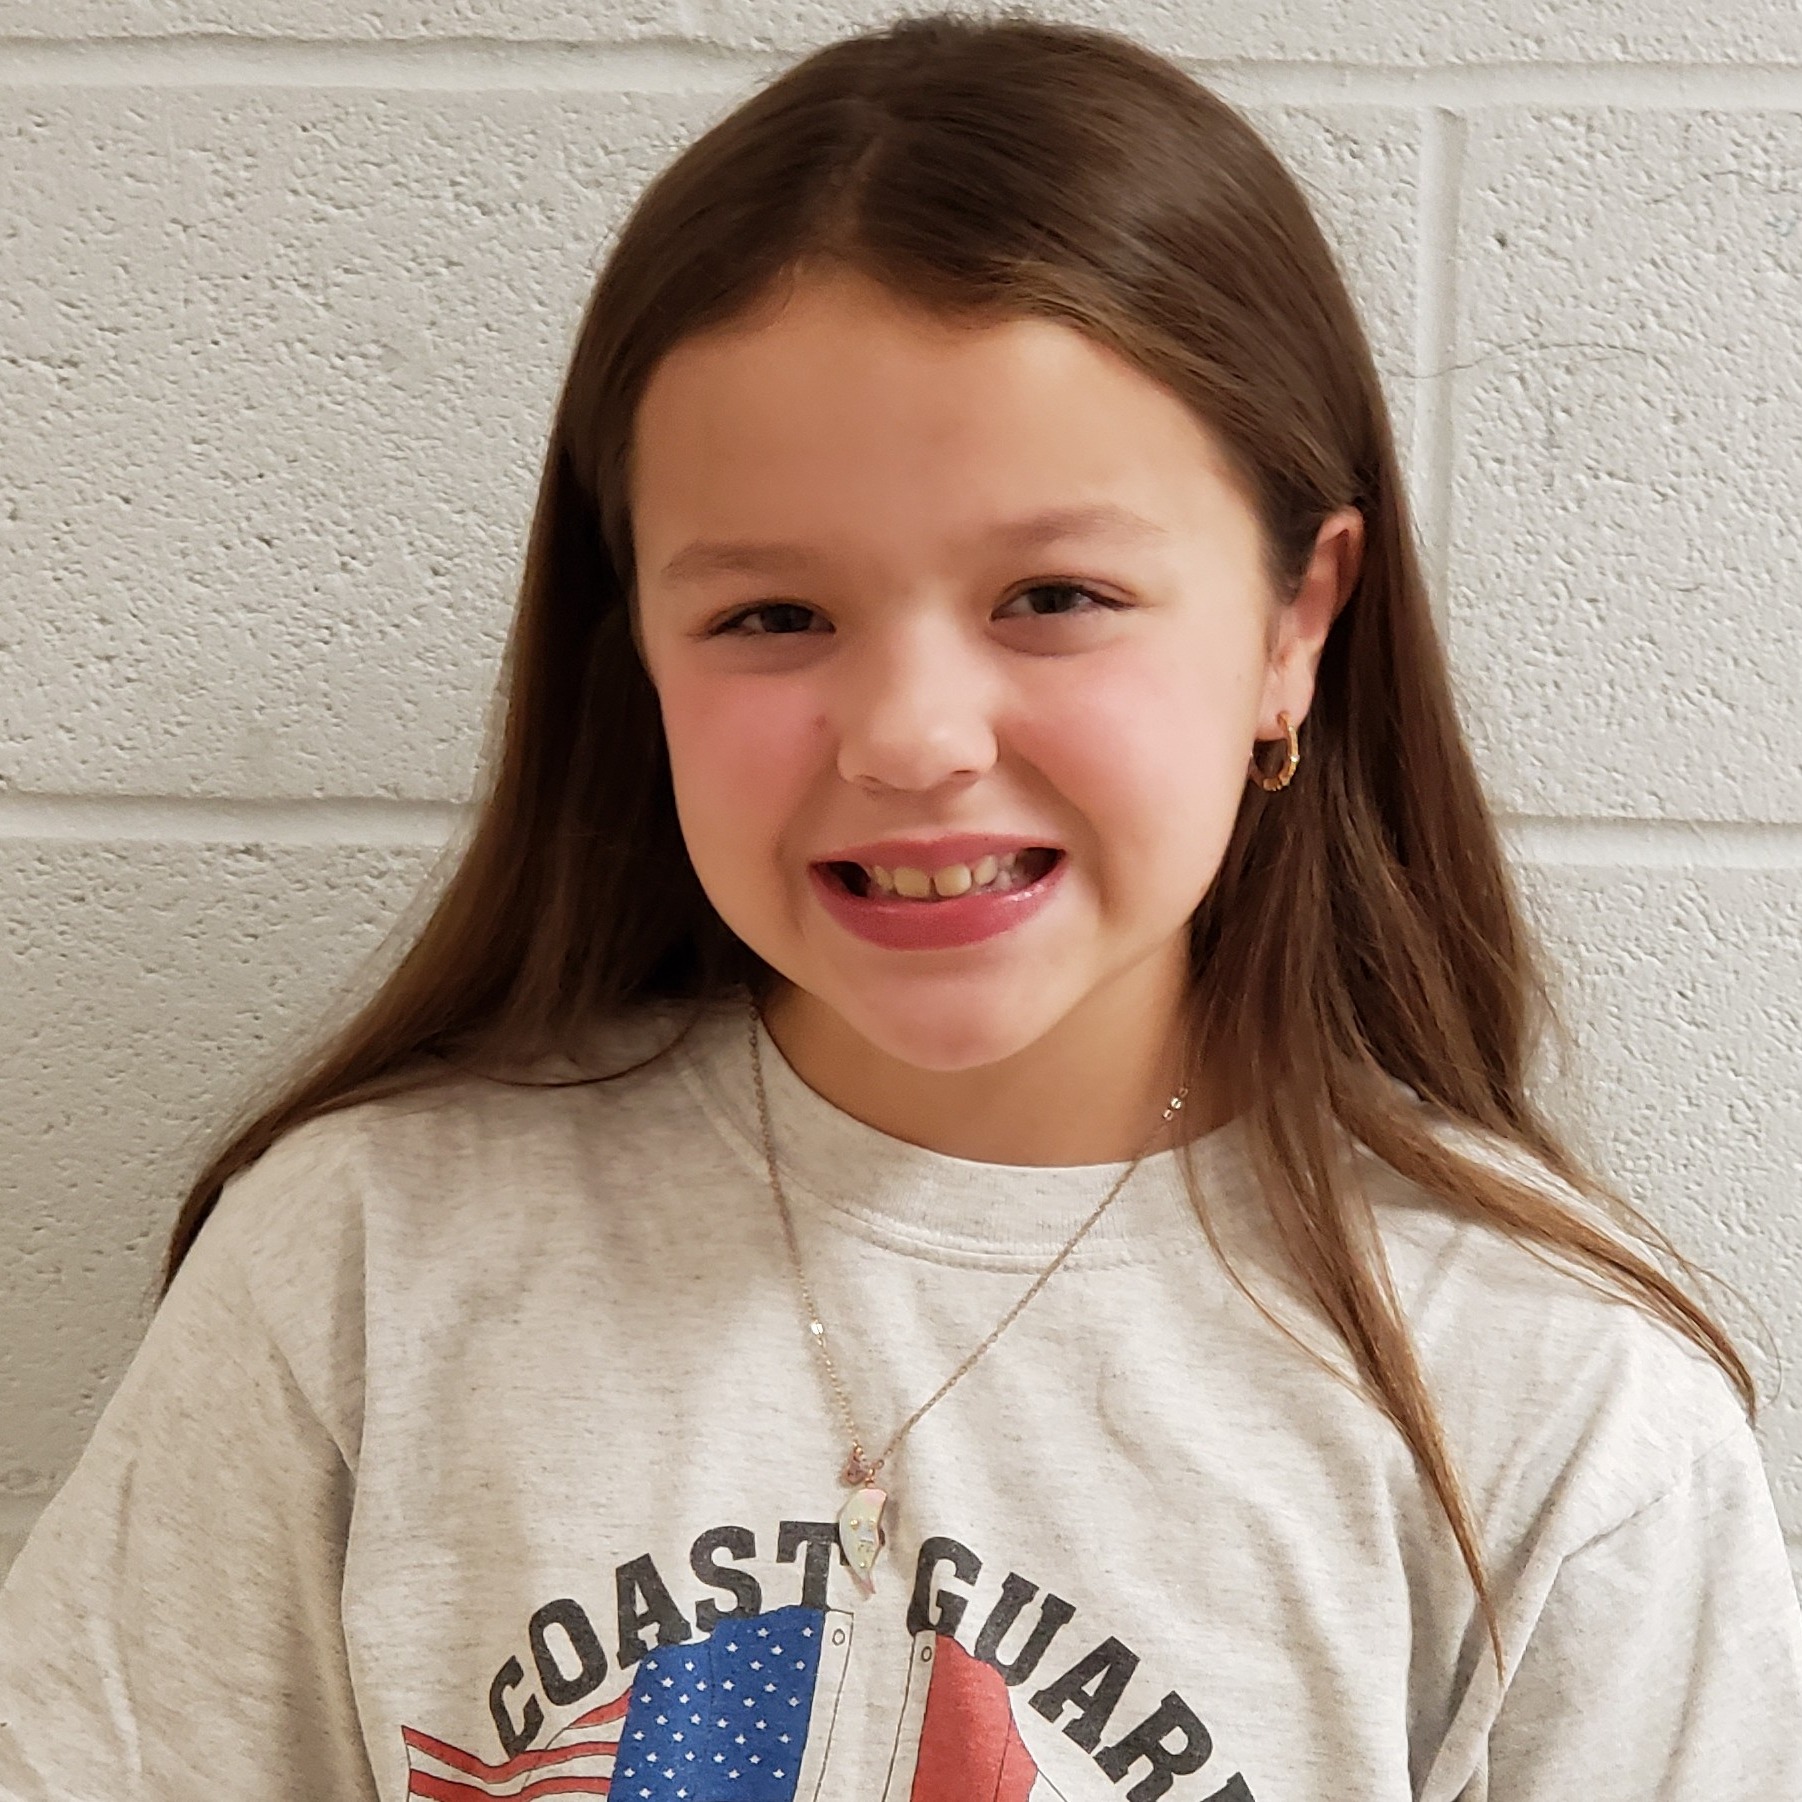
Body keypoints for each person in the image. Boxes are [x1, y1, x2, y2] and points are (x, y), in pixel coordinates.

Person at [2, 12, 1798, 1800]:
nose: (914, 739)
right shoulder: (368, 1263)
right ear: (632, 643)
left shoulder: (1554, 1405)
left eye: (1055, 592)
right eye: (772, 616)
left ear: (1292, 624)